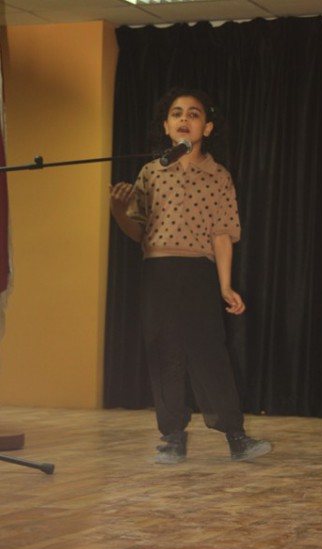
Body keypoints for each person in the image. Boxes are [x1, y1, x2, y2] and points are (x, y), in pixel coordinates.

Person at [110, 87, 271, 464]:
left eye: (194, 114)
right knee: (164, 351)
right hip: (158, 272)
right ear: (166, 127)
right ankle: (172, 436)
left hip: (198, 271)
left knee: (209, 351)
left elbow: (222, 235)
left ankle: (235, 435)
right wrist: (118, 211)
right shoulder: (151, 172)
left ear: (207, 128)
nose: (184, 118)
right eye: (177, 113)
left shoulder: (219, 176)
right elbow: (138, 232)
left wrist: (225, 285)